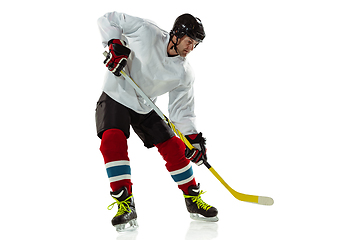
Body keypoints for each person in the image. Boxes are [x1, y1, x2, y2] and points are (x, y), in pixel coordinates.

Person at [96, 12, 218, 232]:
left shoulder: (184, 73)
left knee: (175, 147)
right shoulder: (146, 31)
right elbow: (108, 19)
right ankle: (126, 205)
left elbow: (181, 111)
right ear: (177, 34)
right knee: (112, 141)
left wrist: (193, 139)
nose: (191, 48)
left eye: (195, 44)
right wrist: (114, 43)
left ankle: (192, 198)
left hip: (145, 104)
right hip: (117, 92)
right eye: (189, 41)